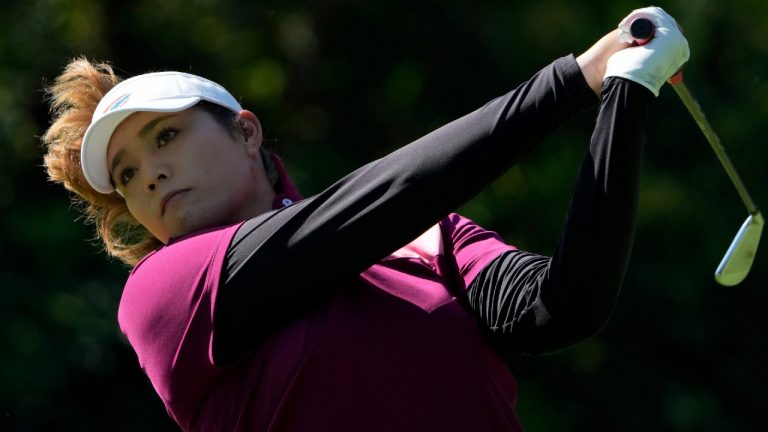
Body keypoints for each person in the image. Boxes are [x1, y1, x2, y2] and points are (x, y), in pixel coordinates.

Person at [42, 6, 688, 432]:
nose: (147, 175)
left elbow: (560, 308)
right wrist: (573, 80)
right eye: (125, 174)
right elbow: (355, 217)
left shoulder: (421, 237)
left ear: (246, 132)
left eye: (164, 137)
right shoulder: (164, 294)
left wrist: (628, 90)